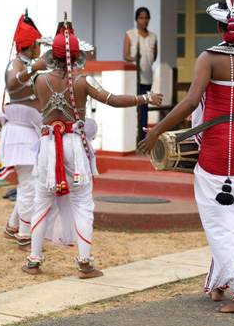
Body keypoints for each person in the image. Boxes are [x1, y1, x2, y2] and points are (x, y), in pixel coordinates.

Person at [138, 0, 234, 313]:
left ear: (219, 27)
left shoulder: (208, 57)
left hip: (216, 146)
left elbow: (190, 103)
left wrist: (157, 131)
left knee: (217, 219)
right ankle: (219, 283)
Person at [23, 21, 162, 278]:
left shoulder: (39, 80)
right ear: (78, 56)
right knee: (82, 204)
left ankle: (34, 260)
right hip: (73, 145)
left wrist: (41, 60)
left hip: (47, 146)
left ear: (52, 55)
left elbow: (23, 79)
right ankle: (84, 263)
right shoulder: (84, 81)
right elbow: (115, 100)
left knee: (41, 201)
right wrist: (145, 98)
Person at [0, 11, 47, 251]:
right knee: (29, 184)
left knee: (30, 181)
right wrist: (35, 67)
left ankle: (13, 226)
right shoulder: (16, 65)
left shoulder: (27, 64)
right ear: (31, 46)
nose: (39, 48)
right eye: (36, 44)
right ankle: (25, 236)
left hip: (30, 131)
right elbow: (12, 82)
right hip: (21, 132)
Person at [123, 7, 157, 141]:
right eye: (141, 18)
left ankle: (142, 138)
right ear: (137, 19)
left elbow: (154, 57)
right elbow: (125, 55)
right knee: (133, 107)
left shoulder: (153, 37)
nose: (144, 21)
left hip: (147, 77)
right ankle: (131, 137)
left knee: (144, 108)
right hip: (133, 77)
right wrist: (135, 59)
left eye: (146, 18)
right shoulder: (130, 34)